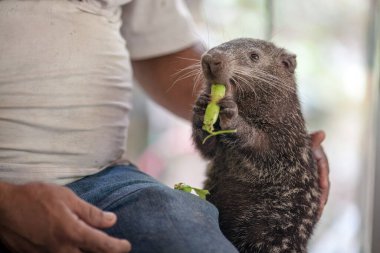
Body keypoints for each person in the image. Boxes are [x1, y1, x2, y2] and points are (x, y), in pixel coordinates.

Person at [0, 0, 330, 252]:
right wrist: (6, 203)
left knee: (184, 224)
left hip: (107, 175)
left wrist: (285, 151)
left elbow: (162, 50)